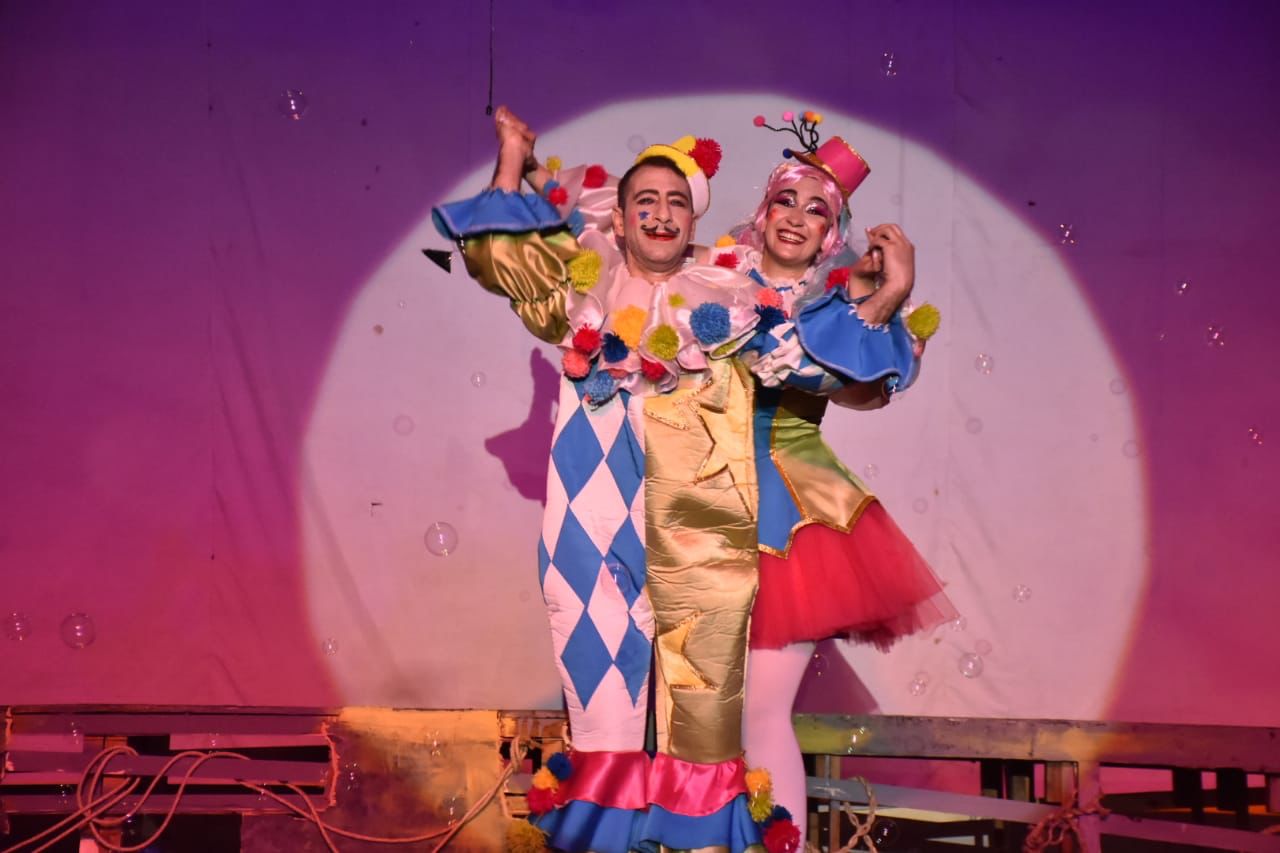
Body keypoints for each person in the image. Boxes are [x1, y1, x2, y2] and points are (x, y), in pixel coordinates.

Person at [434, 107, 771, 853]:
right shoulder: (581, 291)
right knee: (604, 719)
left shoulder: (727, 300)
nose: (661, 213)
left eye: (676, 201)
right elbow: (501, 255)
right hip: (591, 533)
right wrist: (514, 161)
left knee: (701, 731)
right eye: (644, 200)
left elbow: (809, 334)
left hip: (694, 539)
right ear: (617, 220)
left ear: (693, 220)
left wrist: (885, 294)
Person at [712, 112, 958, 844]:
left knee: (760, 713)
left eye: (816, 209)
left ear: (832, 234)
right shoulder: (711, 284)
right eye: (785, 200)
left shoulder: (837, 309)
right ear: (763, 212)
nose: (796, 217)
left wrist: (886, 296)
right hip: (698, 501)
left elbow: (855, 387)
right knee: (692, 713)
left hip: (788, 511)